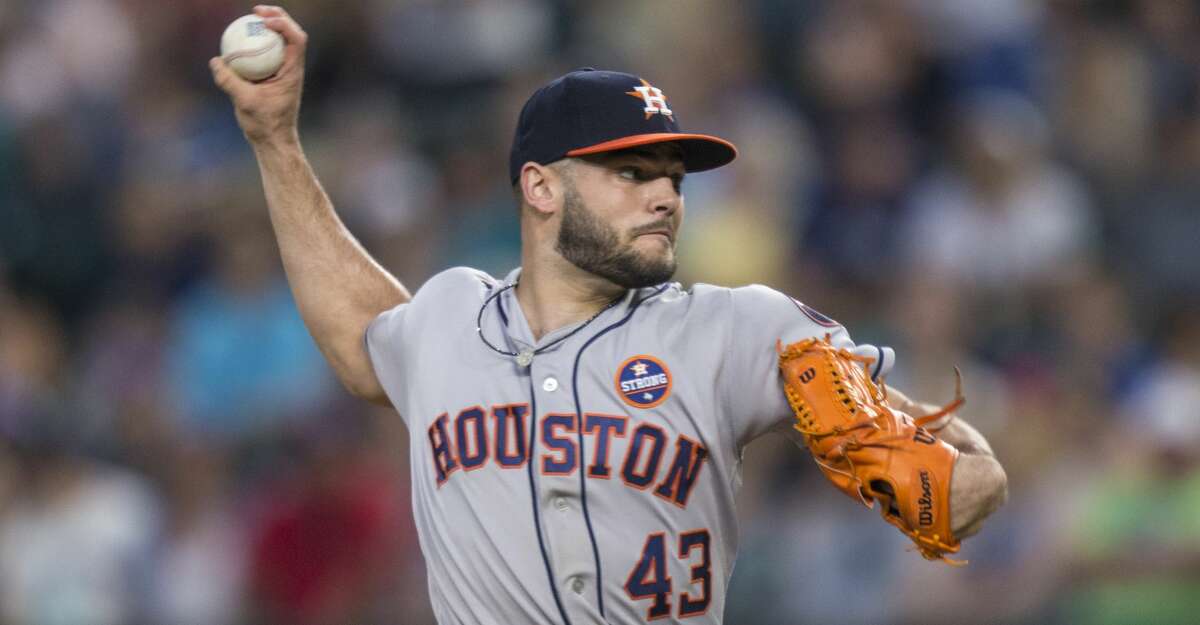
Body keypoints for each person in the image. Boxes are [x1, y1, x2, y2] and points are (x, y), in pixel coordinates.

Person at [211, 6, 1007, 624]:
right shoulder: (448, 318)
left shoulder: (738, 330)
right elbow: (360, 333)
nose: (665, 195)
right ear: (541, 188)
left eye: (673, 177)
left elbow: (962, 492)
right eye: (630, 172)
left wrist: (918, 451)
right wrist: (275, 139)